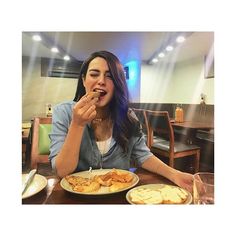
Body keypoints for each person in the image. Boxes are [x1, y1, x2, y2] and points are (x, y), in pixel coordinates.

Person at [49, 50, 193, 192]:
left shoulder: (128, 118)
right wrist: (77, 124)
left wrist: (175, 175)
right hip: (77, 198)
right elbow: (62, 171)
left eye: (110, 76)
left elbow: (144, 156)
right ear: (83, 80)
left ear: (117, 83)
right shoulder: (64, 113)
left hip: (119, 196)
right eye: (94, 74)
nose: (101, 81)